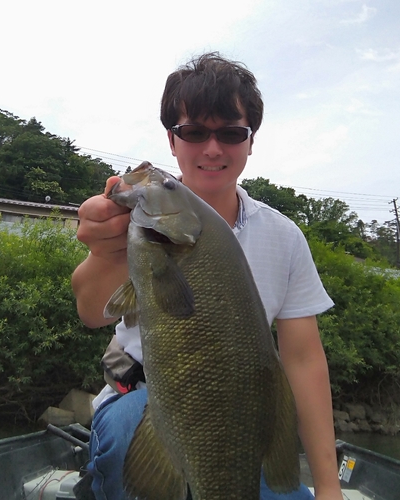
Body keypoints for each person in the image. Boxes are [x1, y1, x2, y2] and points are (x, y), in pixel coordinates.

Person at [72, 52, 343, 500]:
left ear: (251, 141)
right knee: (123, 444)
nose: (213, 148)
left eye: (231, 133)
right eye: (194, 132)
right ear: (172, 141)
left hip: (243, 415)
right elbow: (91, 311)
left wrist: (329, 487)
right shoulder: (139, 225)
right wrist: (104, 252)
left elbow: (303, 361)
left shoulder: (285, 237)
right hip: (143, 399)